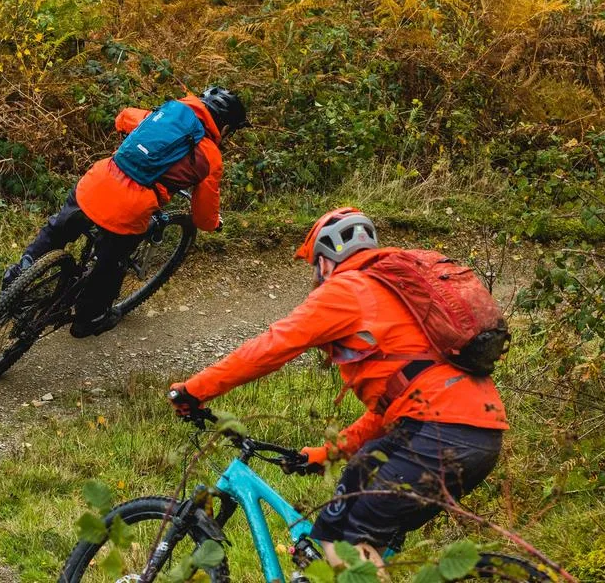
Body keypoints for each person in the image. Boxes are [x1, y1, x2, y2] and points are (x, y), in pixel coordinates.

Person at [168, 207, 509, 569]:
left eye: (315, 266)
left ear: (326, 261)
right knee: (357, 485)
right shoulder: (394, 297)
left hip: (437, 434)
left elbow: (272, 347)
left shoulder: (346, 290)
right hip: (470, 436)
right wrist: (327, 454)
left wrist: (194, 390)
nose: (315, 276)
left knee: (341, 542)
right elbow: (389, 412)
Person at [2, 87, 249, 339]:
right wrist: (213, 224)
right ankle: (90, 317)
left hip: (95, 184)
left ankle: (20, 272)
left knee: (58, 228)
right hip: (128, 210)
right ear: (225, 127)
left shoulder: (170, 113)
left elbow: (124, 117)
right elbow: (203, 217)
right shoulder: (211, 157)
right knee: (111, 263)